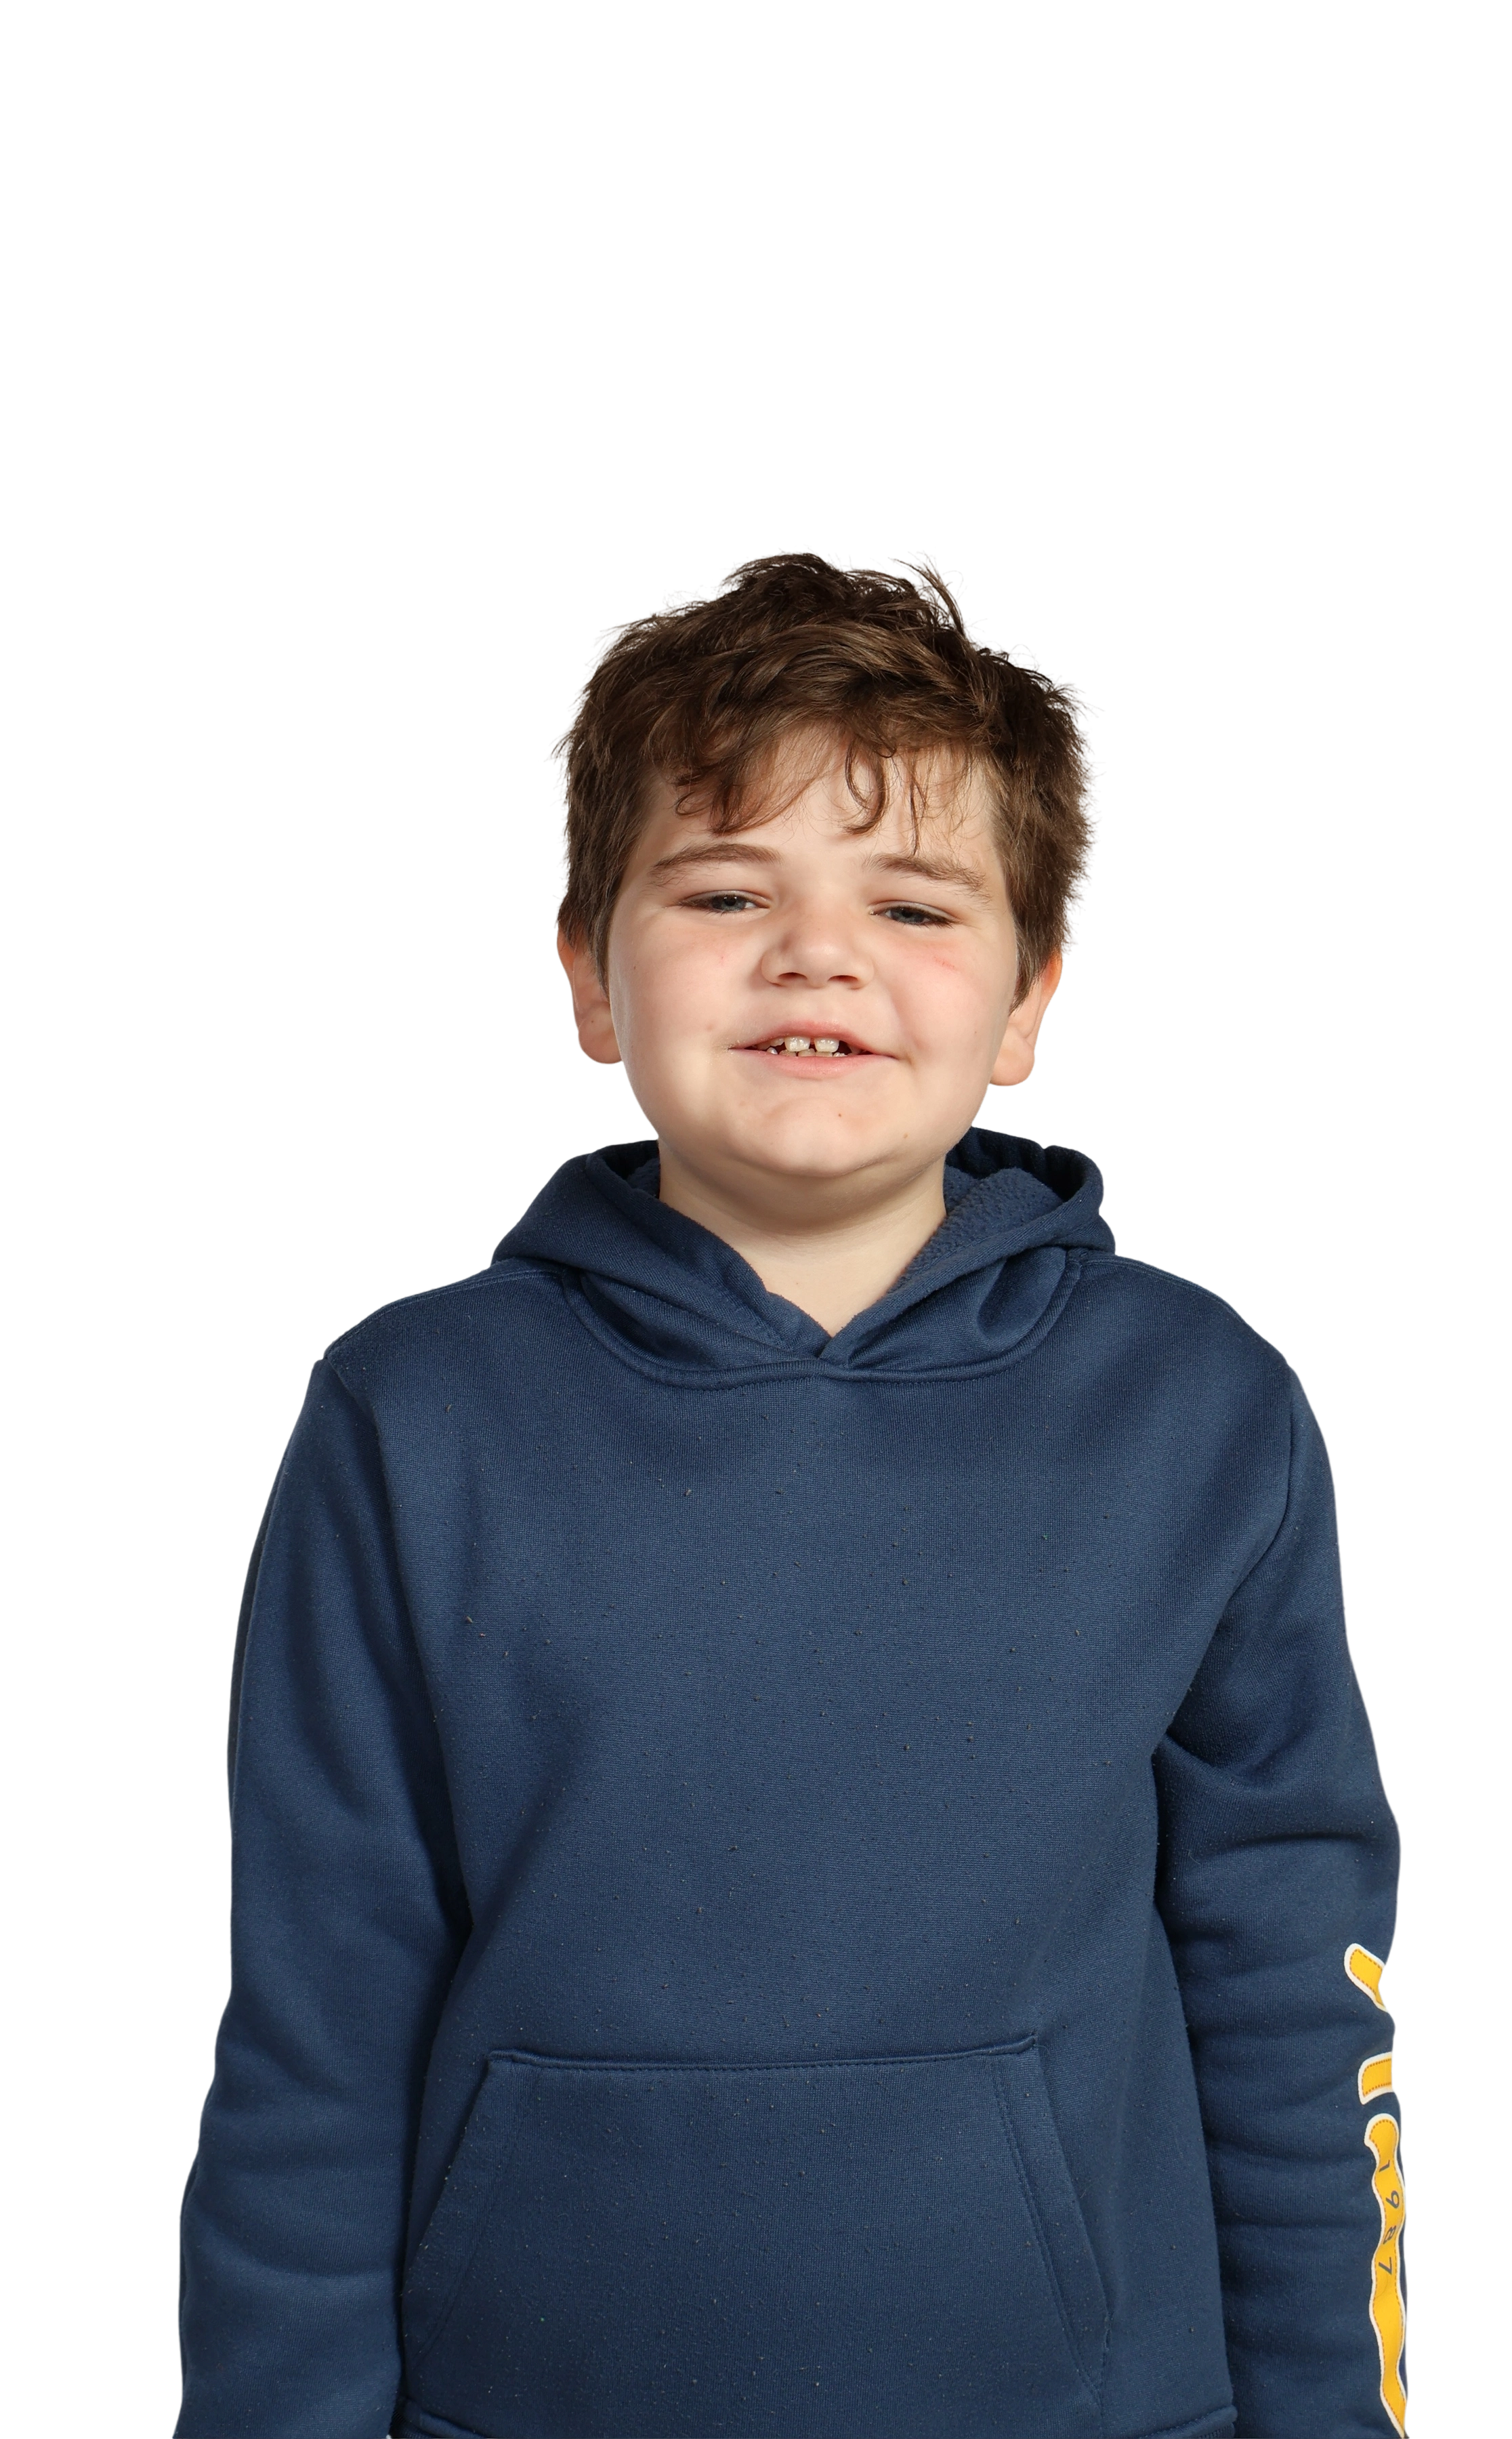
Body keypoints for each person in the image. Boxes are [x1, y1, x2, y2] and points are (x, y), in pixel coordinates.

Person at [172, 545, 1406, 2439]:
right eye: (724, 889)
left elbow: (1294, 1988)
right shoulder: (411, 1416)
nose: (815, 953)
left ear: (1028, 1003)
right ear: (588, 979)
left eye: (911, 901)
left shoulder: (1196, 1404)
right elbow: (313, 2028)